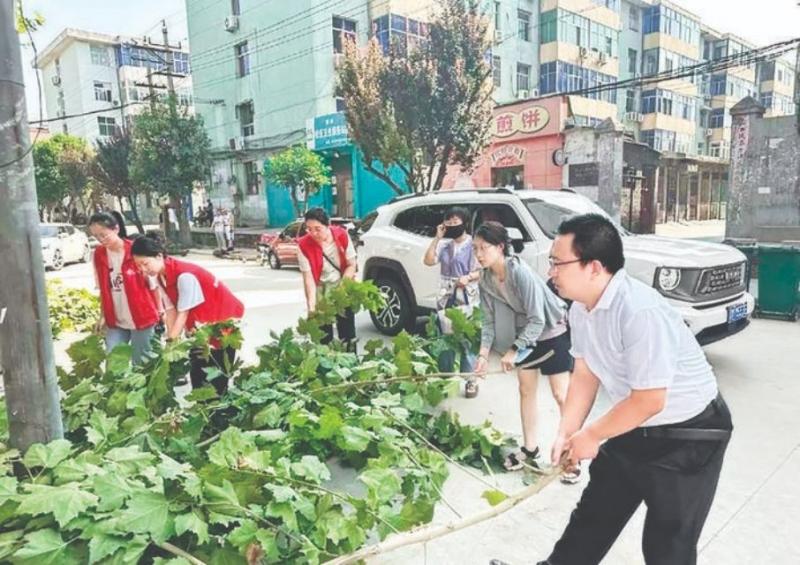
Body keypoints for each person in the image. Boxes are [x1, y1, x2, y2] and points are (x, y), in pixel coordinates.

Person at [539, 214, 733, 565]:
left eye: (557, 262)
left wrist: (592, 435)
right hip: (636, 424)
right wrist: (567, 433)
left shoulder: (640, 311)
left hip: (689, 435)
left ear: (593, 267)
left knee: (666, 544)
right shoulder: (582, 309)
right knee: (594, 514)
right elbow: (585, 373)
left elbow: (649, 399)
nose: (551, 271)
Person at [472, 222, 574, 478]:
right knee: (526, 390)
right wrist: (483, 354)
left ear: (500, 247)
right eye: (475, 249)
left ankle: (571, 454)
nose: (479, 254)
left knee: (561, 395)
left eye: (484, 248)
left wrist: (513, 350)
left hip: (552, 332)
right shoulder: (485, 279)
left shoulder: (520, 272)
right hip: (526, 337)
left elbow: (538, 319)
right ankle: (530, 450)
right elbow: (487, 320)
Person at [131, 235, 245, 395]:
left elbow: (182, 314)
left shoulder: (185, 276)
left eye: (145, 263)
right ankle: (204, 410)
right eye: (139, 266)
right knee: (198, 377)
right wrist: (171, 341)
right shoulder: (160, 277)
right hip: (201, 328)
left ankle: (219, 413)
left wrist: (171, 344)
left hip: (222, 324)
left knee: (216, 381)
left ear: (158, 256)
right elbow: (171, 310)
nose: (143, 269)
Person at [423, 206, 481, 398]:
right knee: (445, 337)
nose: (452, 226)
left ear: (464, 223)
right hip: (446, 295)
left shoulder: (473, 245)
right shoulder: (445, 245)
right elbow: (429, 261)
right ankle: (445, 378)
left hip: (466, 295)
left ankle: (470, 379)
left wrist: (469, 277)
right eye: (448, 223)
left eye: (456, 222)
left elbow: (483, 269)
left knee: (466, 337)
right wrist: (437, 237)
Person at [89, 212, 160, 365]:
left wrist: (160, 312)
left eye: (104, 235)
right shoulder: (99, 254)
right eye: (96, 237)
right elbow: (103, 288)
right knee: (113, 363)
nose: (101, 240)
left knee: (142, 364)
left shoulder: (135, 250)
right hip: (115, 318)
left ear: (116, 229)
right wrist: (102, 315)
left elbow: (154, 285)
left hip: (142, 317)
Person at [297, 207, 358, 351]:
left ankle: (352, 365)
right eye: (309, 229)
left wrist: (341, 290)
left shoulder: (341, 235)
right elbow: (309, 279)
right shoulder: (303, 245)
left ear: (327, 225)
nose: (313, 233)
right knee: (323, 339)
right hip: (321, 293)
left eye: (317, 229)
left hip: (342, 288)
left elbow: (351, 265)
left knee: (347, 334)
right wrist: (311, 307)